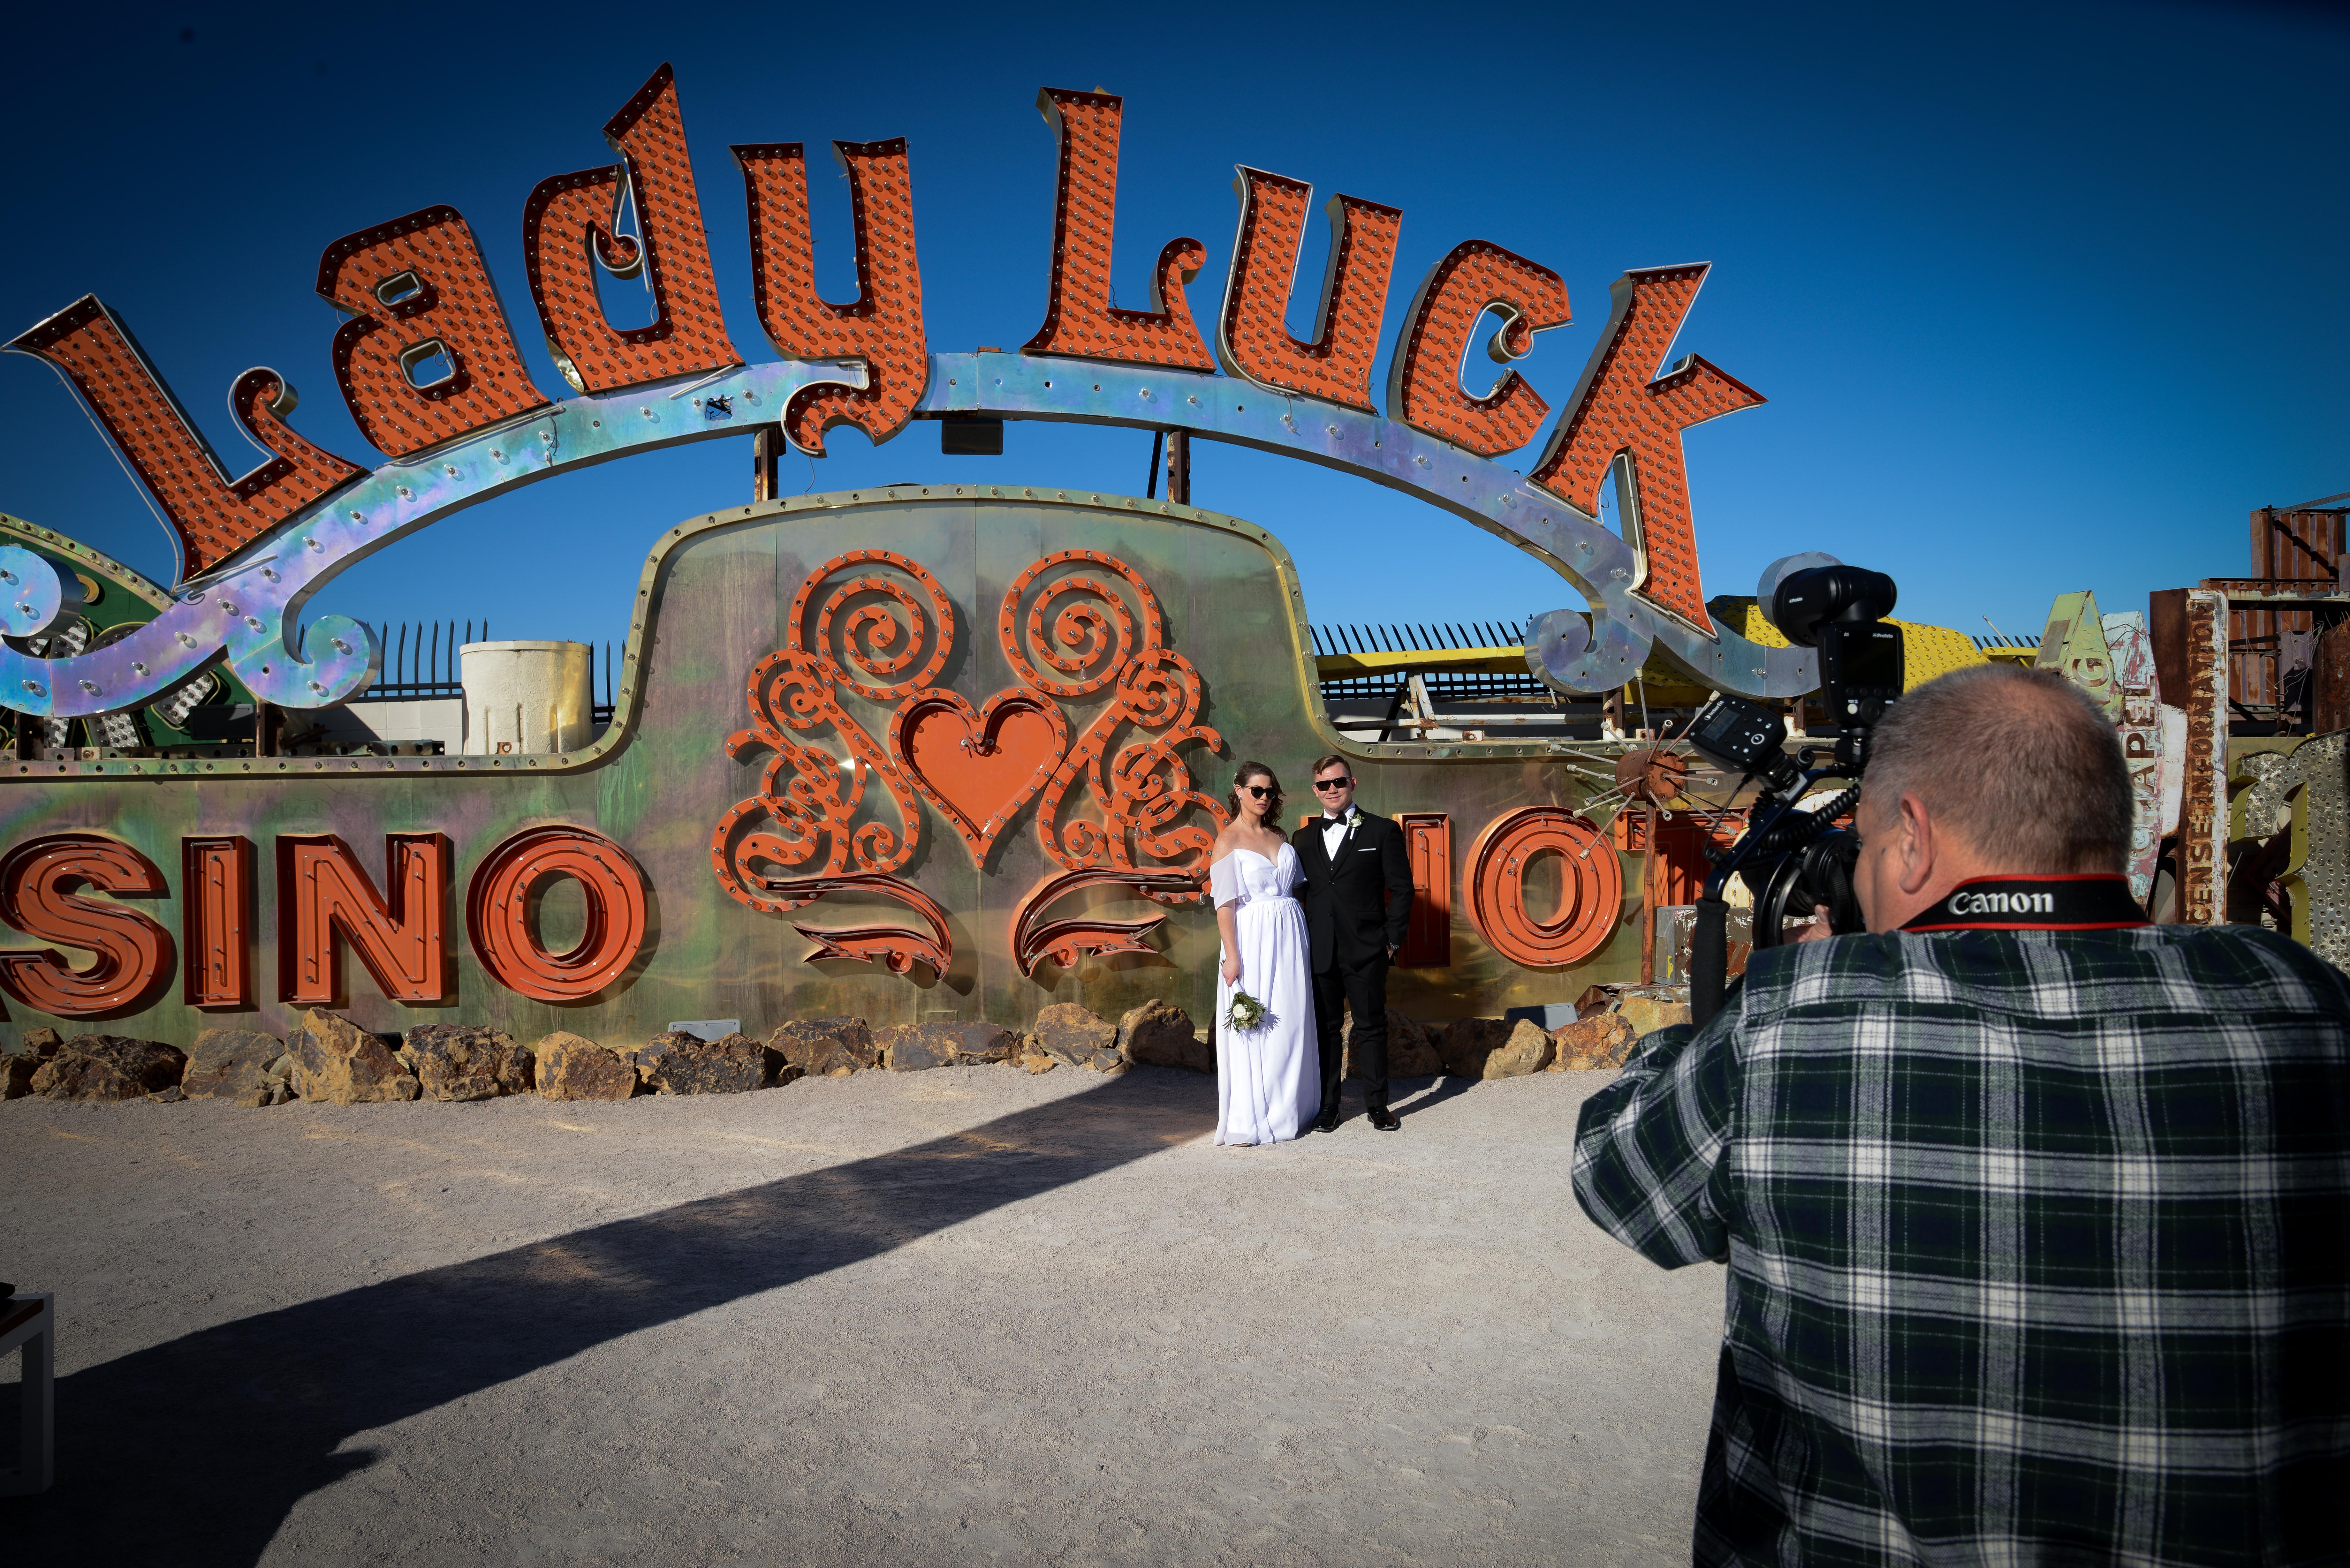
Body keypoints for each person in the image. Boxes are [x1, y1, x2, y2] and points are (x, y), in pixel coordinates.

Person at [1573, 663, 2350, 1564]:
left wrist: (1793, 986)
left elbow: (1618, 1176)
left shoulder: (1797, 1019)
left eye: (1862, 850)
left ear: (1912, 837)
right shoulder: (2307, 1002)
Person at [1292, 754, 1413, 1133]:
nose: (1332, 790)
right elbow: (1299, 895)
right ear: (1315, 790)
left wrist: (1391, 941)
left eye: (1339, 782)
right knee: (1325, 1030)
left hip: (1367, 950)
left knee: (1371, 1027)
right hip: (1321, 950)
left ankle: (1378, 1106)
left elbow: (1402, 889)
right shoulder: (1303, 839)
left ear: (1353, 783)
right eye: (1324, 785)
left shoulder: (1381, 831)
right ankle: (1330, 1107)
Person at [1208, 761, 1320, 1146]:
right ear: (1238, 790)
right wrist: (1232, 957)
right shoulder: (1227, 840)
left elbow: (1299, 891)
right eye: (1256, 790)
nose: (1263, 798)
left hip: (1290, 935)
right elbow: (1224, 904)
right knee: (1256, 1025)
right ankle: (1250, 1116)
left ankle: (1291, 1108)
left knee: (1291, 1022)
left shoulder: (1279, 834)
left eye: (1270, 791)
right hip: (1250, 937)